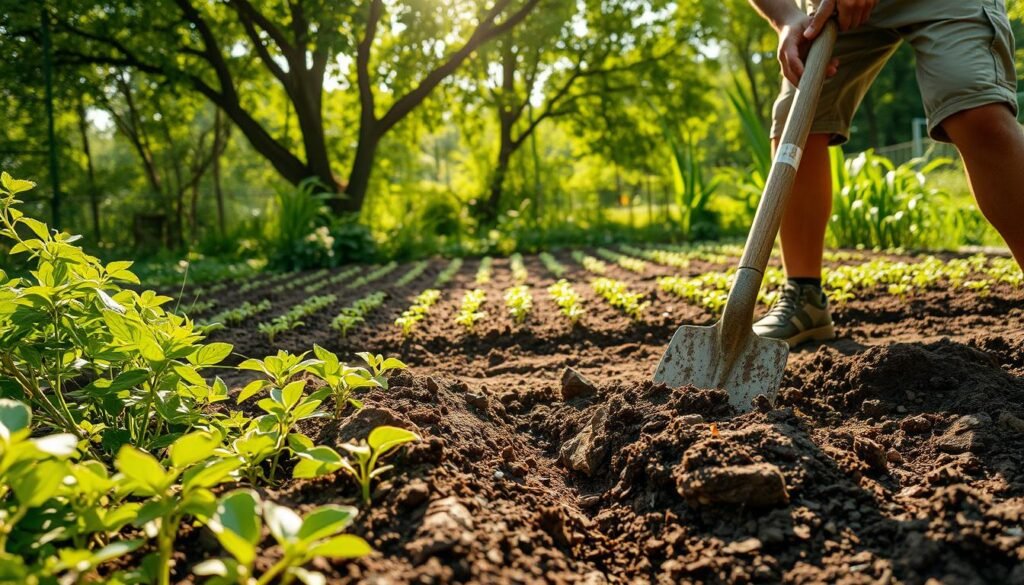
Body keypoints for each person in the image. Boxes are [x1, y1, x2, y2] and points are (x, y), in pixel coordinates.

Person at [748, 0, 1024, 347]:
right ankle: (804, 297)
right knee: (799, 118)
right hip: (832, 7)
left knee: (976, 110)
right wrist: (786, 17)